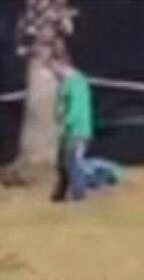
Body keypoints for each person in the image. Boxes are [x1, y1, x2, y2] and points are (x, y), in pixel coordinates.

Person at [50, 48, 94, 202]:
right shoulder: (65, 83)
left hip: (77, 130)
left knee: (73, 163)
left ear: (61, 64)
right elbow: (61, 106)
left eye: (53, 67)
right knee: (62, 164)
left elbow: (76, 109)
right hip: (67, 130)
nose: (52, 72)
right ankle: (59, 196)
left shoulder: (77, 82)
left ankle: (79, 196)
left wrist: (66, 123)